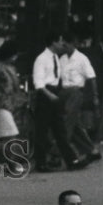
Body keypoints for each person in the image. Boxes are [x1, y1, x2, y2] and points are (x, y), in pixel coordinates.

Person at [31, 32, 84, 172]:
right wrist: (50, 95)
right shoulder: (41, 59)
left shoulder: (56, 57)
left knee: (60, 129)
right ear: (53, 43)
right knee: (41, 131)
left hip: (55, 92)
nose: (62, 44)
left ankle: (71, 160)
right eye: (60, 42)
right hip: (45, 95)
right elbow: (38, 83)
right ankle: (40, 163)